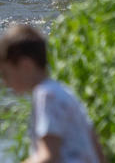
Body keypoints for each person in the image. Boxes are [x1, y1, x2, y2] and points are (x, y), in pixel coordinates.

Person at [0, 24, 107, 163]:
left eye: (5, 74)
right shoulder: (63, 91)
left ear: (26, 66)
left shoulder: (46, 95)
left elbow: (48, 157)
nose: (3, 82)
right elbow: (96, 145)